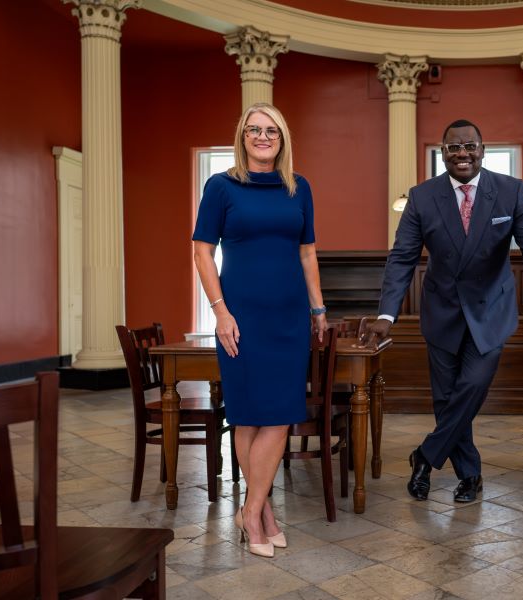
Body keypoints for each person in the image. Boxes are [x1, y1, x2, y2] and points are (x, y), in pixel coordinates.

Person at [361, 119, 523, 503]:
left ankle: (426, 456)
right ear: (442, 153)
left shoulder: (511, 191)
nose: (462, 154)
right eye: (453, 148)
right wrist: (386, 315)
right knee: (447, 398)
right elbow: (402, 258)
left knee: (473, 385)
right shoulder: (422, 197)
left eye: (470, 146)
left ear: (482, 149)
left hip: (491, 310)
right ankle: (470, 475)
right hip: (442, 310)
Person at [193, 102, 327, 558]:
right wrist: (220, 311)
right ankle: (260, 512)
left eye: (271, 130)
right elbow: (201, 252)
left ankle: (252, 508)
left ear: (282, 137)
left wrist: (318, 308)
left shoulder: (298, 188)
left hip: (288, 317)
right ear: (243, 136)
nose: (263, 136)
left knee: (279, 413)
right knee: (248, 413)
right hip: (241, 318)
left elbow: (307, 254)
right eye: (255, 129)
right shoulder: (221, 187)